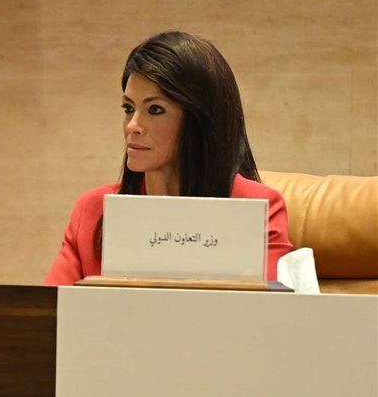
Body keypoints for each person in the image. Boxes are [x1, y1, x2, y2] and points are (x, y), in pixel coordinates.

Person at [45, 31, 291, 285]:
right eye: (129, 108)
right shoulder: (93, 209)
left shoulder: (258, 209)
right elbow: (52, 306)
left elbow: (267, 308)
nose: (133, 126)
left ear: (199, 122)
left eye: (155, 109)